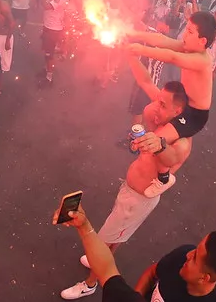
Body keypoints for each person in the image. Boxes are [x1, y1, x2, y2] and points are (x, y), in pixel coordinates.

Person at [60, 62, 192, 299]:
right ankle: (96, 262)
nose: (158, 107)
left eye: (164, 105)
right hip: (130, 193)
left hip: (137, 201)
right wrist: (131, 55)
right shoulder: (165, 124)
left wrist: (157, 145)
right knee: (114, 237)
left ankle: (91, 283)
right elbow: (145, 85)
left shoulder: (180, 143)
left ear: (179, 111)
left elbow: (169, 160)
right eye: (159, 101)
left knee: (103, 242)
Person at [126, 11, 216, 195]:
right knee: (150, 111)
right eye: (186, 29)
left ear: (202, 41)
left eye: (190, 31)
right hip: (184, 104)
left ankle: (163, 178)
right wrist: (134, 34)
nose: (184, 35)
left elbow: (172, 57)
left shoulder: (202, 60)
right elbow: (162, 40)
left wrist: (141, 50)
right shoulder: (189, 47)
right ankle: (155, 153)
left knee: (159, 140)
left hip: (194, 115)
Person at [57, 205, 145, 302]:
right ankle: (95, 265)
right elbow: (154, 272)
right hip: (130, 203)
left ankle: (90, 285)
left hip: (134, 205)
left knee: (107, 239)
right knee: (113, 237)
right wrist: (83, 226)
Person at [133, 230, 216, 300]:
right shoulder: (182, 255)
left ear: (203, 278)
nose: (188, 254)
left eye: (194, 258)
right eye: (196, 249)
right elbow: (152, 274)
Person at [39, 0, 69, 88]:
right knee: (46, 51)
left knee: (49, 55)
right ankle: (47, 69)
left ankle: (49, 78)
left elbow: (47, 6)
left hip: (53, 30)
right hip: (47, 27)